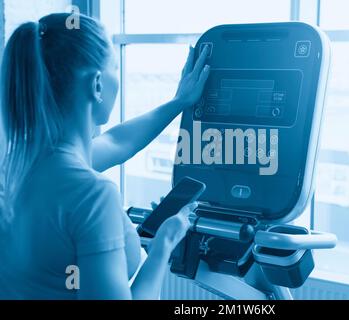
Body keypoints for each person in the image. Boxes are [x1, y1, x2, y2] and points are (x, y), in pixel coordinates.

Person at [0, 12, 210, 300]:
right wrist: (164, 244)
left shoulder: (19, 165)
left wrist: (179, 103)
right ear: (97, 84)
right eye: (114, 65)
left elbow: (118, 141)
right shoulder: (93, 195)